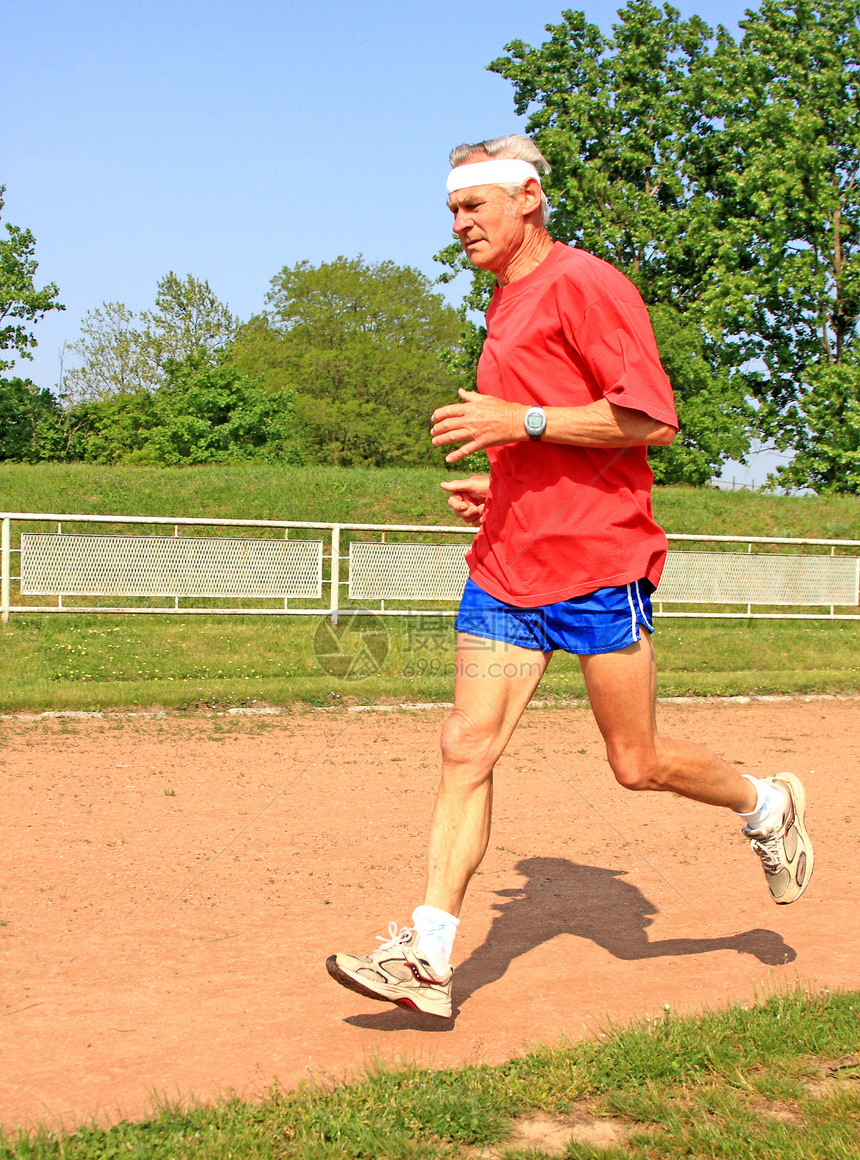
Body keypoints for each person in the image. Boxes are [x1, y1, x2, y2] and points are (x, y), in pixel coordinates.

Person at [325, 134, 813, 1019]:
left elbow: (649, 418)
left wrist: (524, 422)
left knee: (637, 762)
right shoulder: (505, 300)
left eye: (473, 207)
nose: (459, 224)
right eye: (451, 210)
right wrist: (505, 477)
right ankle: (428, 957)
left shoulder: (586, 283)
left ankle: (765, 803)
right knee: (465, 745)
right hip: (510, 567)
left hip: (597, 564)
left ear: (528, 199)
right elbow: (542, 434)